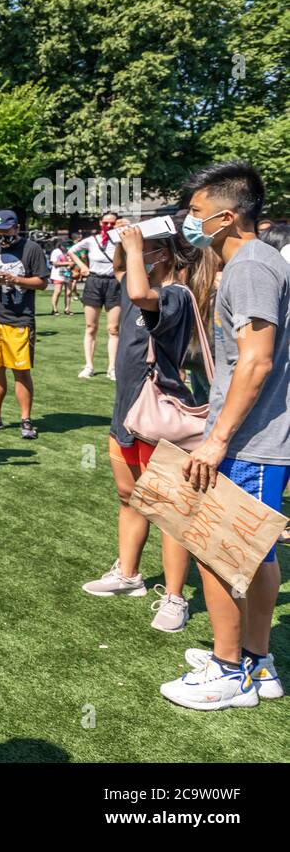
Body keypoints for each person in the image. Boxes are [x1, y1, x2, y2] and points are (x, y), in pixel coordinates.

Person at [161, 161, 288, 710]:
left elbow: (256, 362)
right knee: (255, 556)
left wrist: (217, 440)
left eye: (195, 212)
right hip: (255, 439)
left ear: (226, 216)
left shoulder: (251, 267)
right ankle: (257, 663)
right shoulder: (251, 261)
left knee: (219, 551)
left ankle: (228, 669)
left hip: (251, 442)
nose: (189, 222)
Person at [81, 224, 213, 632]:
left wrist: (136, 248)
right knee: (130, 497)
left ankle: (175, 596)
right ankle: (129, 575)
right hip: (125, 413)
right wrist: (126, 242)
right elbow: (125, 276)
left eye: (149, 250)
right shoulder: (133, 282)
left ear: (167, 256)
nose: (138, 255)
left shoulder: (175, 296)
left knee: (171, 512)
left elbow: (139, 292)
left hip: (159, 419)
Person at [0, 209, 49, 440]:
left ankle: (26, 420)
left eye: (5, 231)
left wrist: (16, 280)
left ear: (16, 228)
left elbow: (42, 283)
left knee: (21, 372)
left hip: (20, 320)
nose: (1, 236)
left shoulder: (31, 249)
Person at [68, 212, 121, 379]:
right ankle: (89, 365)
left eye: (112, 223)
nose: (109, 226)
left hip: (114, 283)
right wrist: (83, 266)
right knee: (91, 327)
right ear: (100, 223)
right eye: (106, 223)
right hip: (94, 282)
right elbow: (72, 251)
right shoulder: (92, 241)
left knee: (113, 329)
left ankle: (112, 368)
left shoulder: (121, 240)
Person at [48, 242, 74, 315]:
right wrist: (67, 263)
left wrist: (71, 265)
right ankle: (54, 309)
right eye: (65, 246)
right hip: (57, 274)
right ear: (61, 245)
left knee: (69, 292)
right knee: (58, 292)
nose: (66, 248)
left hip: (67, 273)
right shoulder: (56, 251)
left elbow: (73, 261)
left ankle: (67, 309)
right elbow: (55, 263)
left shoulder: (70, 251)